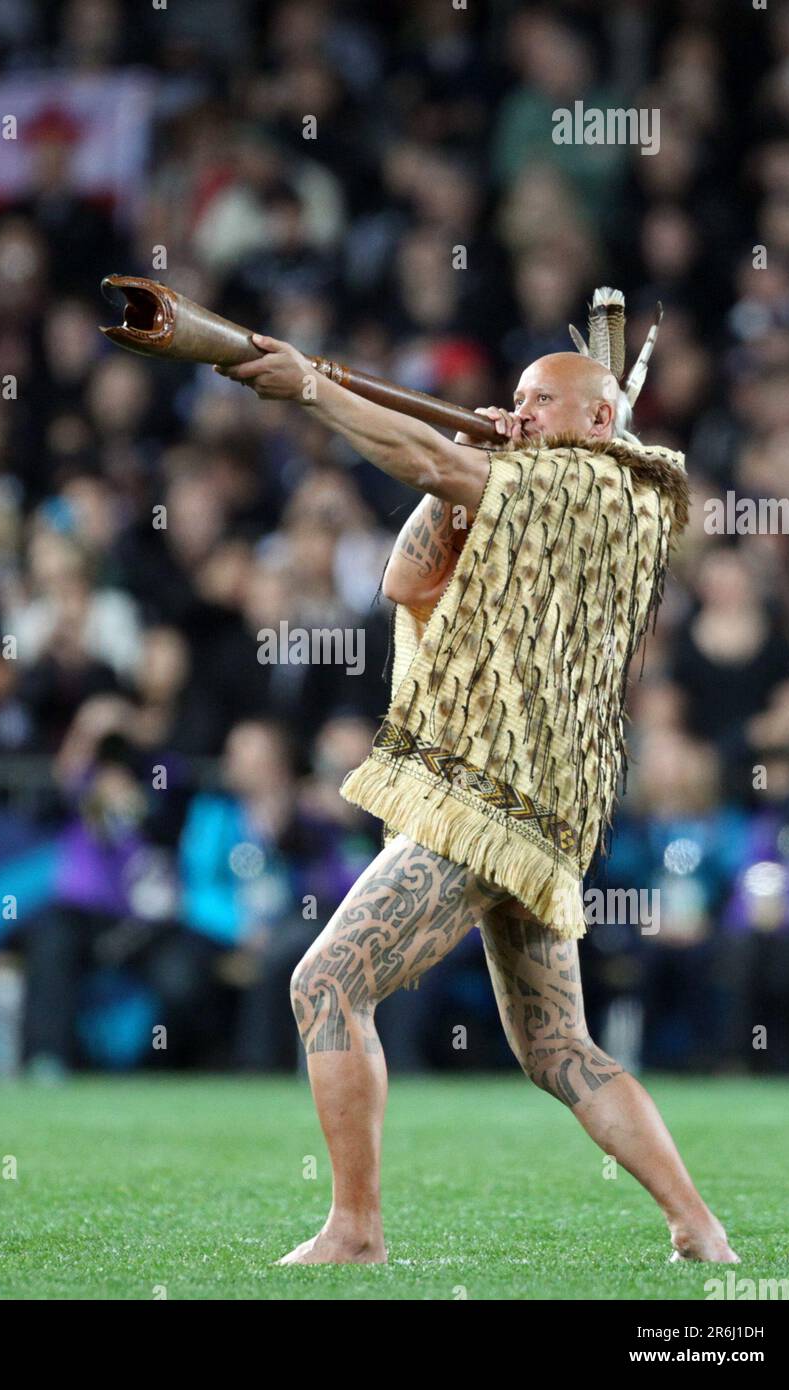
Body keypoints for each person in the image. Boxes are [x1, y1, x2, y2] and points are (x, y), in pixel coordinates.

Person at [216, 288, 739, 1266]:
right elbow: (406, 582)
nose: (521, 413)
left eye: (541, 401)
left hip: (482, 792)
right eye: (516, 399)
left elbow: (423, 454)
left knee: (326, 982)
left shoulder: (598, 487)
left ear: (599, 418)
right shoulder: (532, 490)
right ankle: (697, 1226)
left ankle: (354, 1229)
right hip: (535, 805)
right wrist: (471, 473)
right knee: (555, 1045)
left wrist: (312, 389)